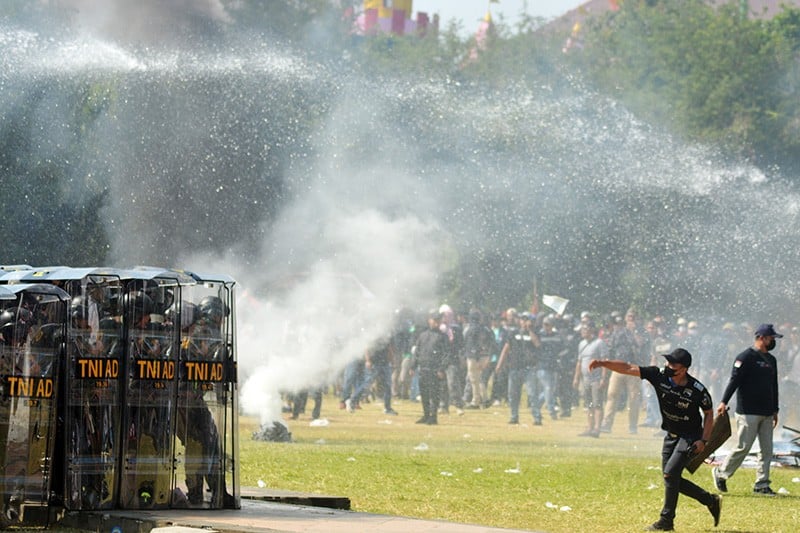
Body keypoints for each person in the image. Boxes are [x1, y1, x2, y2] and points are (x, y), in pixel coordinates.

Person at [590, 348, 721, 531]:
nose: (668, 366)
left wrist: (703, 441)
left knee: (670, 474)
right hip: (670, 435)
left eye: (673, 364)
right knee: (671, 478)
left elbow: (708, 414)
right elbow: (628, 368)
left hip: (690, 437)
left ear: (683, 369)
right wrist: (603, 363)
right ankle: (710, 500)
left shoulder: (697, 389)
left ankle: (666, 521)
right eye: (667, 362)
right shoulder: (657, 375)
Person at [712, 323, 781, 496]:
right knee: (744, 447)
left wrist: (775, 409)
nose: (773, 341)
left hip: (766, 411)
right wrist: (723, 401)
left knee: (767, 450)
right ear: (761, 338)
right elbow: (734, 381)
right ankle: (721, 473)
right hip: (748, 410)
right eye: (771, 338)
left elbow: (774, 385)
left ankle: (762, 484)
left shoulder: (771, 360)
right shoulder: (745, 357)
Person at [410, 310, 449, 425]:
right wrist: (413, 366)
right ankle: (426, 415)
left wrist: (441, 369)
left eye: (438, 320)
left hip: (435, 370)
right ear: (429, 320)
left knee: (434, 394)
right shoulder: (423, 335)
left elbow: (446, 354)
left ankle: (433, 416)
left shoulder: (443, 337)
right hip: (423, 368)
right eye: (434, 320)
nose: (436, 322)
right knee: (424, 394)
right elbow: (417, 352)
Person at [572, 322, 607, 437]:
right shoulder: (581, 344)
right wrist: (576, 378)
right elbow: (579, 362)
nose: (583, 332)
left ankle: (597, 428)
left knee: (597, 404)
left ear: (592, 330)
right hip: (585, 379)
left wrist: (603, 378)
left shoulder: (599, 343)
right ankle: (590, 427)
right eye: (582, 330)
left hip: (596, 378)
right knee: (589, 404)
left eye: (586, 329)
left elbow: (604, 361)